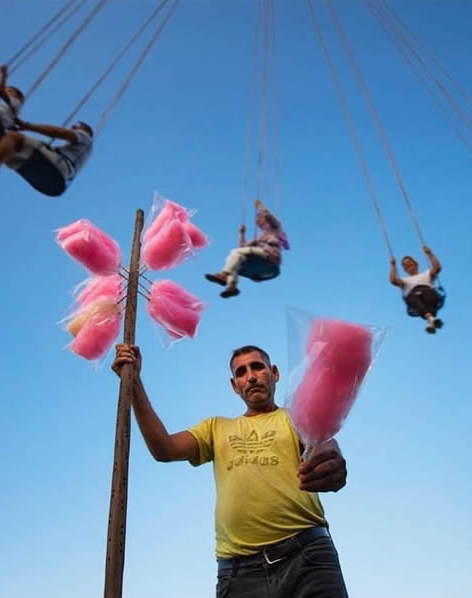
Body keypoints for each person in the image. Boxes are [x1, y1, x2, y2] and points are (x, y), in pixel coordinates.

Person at [111, 343, 349, 598]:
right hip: (240, 574)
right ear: (234, 385)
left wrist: (331, 459)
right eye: (242, 372)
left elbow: (324, 445)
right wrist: (134, 382)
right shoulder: (215, 428)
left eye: (258, 367)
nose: (252, 376)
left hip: (307, 557)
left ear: (274, 373)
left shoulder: (298, 417)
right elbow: (164, 449)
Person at [205, 199, 289, 298]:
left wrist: (260, 207)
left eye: (259, 218)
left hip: (270, 254)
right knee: (236, 259)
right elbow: (242, 247)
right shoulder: (259, 237)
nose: (257, 221)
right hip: (261, 255)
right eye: (257, 220)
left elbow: (269, 217)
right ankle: (232, 286)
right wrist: (242, 234)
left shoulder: (275, 228)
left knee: (235, 253)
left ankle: (224, 275)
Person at [389, 246, 444, 334]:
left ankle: (430, 320)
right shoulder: (404, 280)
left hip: (428, 293)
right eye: (405, 265)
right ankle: (431, 318)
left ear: (416, 264)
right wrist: (393, 266)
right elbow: (393, 280)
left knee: (429, 293)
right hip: (414, 297)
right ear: (404, 269)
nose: (408, 265)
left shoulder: (426, 274)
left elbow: (437, 268)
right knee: (410, 296)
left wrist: (430, 254)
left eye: (409, 262)